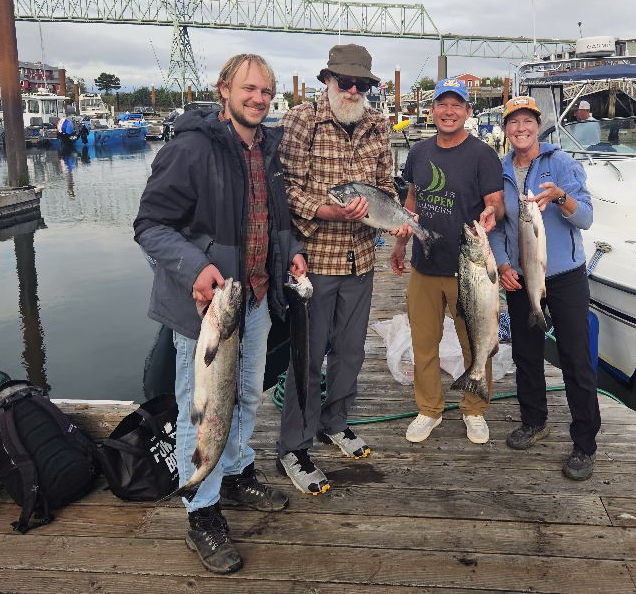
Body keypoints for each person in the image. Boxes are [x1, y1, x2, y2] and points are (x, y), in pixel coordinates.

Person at [134, 53, 306, 575]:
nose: (259, 99)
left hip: (254, 299)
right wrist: (197, 268)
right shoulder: (190, 148)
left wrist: (291, 249)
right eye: (250, 89)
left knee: (247, 394)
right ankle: (200, 511)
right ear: (224, 89)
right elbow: (150, 225)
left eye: (267, 92)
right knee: (202, 407)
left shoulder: (268, 148)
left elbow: (273, 220)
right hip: (206, 307)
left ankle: (232, 469)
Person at [276, 44, 411, 494]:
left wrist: (394, 222)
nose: (353, 90)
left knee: (351, 352)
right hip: (314, 262)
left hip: (362, 261)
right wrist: (326, 211)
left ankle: (335, 422)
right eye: (344, 81)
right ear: (327, 81)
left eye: (361, 84)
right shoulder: (300, 120)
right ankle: (293, 447)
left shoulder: (377, 124)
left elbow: (387, 185)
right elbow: (287, 189)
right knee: (308, 357)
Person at [488, 96, 601, 480]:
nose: (520, 128)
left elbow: (585, 217)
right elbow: (501, 228)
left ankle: (585, 442)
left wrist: (560, 197)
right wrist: (502, 264)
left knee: (575, 358)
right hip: (521, 278)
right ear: (504, 129)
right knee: (526, 354)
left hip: (566, 275)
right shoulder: (499, 170)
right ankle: (534, 421)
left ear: (539, 126)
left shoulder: (562, 163)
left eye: (527, 121)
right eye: (513, 122)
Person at [391, 78, 505, 445]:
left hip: (468, 269)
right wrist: (398, 244)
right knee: (424, 343)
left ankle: (474, 409)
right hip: (424, 264)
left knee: (476, 342)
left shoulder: (482, 154)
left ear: (468, 113)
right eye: (443, 104)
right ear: (433, 110)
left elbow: (497, 202)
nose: (449, 111)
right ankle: (430, 409)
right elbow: (411, 199)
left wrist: (491, 211)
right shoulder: (420, 152)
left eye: (457, 105)